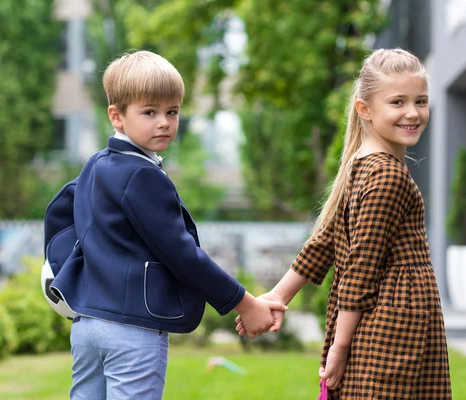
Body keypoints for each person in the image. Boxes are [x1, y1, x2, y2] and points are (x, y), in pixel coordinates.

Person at [45, 50, 287, 400]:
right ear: (117, 116)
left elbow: (58, 215)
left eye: (172, 111)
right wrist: (244, 303)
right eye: (149, 112)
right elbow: (182, 254)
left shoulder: (96, 166)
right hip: (134, 331)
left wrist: (71, 274)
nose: (164, 122)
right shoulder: (143, 175)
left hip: (89, 325)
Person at [236, 48, 452, 399]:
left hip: (381, 317)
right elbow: (360, 267)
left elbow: (325, 242)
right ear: (364, 109)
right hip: (395, 320)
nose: (413, 113)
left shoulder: (363, 165)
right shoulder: (386, 174)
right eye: (398, 102)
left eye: (421, 101)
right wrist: (341, 346)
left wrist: (279, 294)